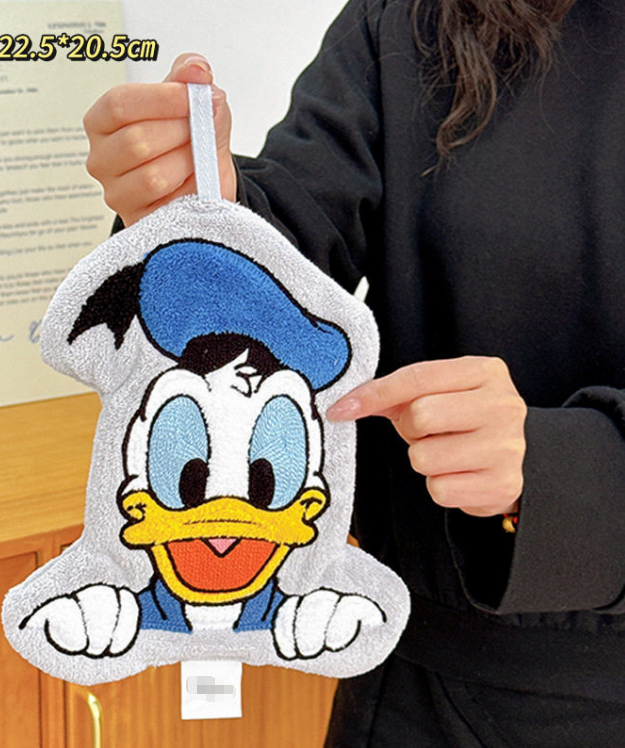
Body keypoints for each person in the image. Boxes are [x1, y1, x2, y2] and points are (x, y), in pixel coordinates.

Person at [82, 0, 625, 744]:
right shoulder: (414, 20)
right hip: (424, 689)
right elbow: (289, 253)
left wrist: (568, 474)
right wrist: (195, 207)